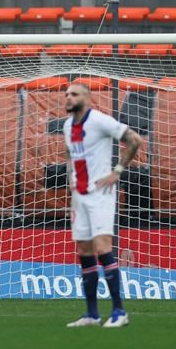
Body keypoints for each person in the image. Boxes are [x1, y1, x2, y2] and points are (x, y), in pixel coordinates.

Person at [63, 83, 142, 328]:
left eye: (74, 94)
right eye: (66, 94)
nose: (68, 97)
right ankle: (92, 315)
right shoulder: (67, 125)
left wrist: (117, 171)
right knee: (84, 252)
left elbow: (134, 140)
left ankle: (119, 312)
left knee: (102, 247)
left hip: (101, 193)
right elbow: (69, 154)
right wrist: (70, 183)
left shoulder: (99, 121)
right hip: (80, 195)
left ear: (87, 98)